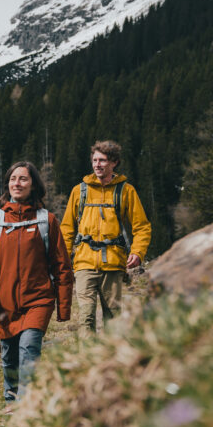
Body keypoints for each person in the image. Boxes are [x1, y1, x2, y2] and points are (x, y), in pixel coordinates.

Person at [0, 161, 73, 413]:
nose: (17, 183)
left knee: (29, 349)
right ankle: (11, 398)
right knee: (9, 355)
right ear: (7, 184)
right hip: (4, 303)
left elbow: (62, 267)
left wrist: (63, 307)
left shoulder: (46, 221)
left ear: (33, 185)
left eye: (23, 179)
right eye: (13, 179)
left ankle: (25, 406)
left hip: (38, 300)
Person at [61, 140, 151, 333]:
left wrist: (137, 252)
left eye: (102, 160)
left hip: (113, 264)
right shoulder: (79, 191)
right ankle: (89, 361)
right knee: (86, 317)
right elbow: (67, 228)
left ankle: (113, 358)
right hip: (84, 262)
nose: (97, 164)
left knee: (113, 317)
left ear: (114, 163)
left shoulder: (126, 191)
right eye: (95, 160)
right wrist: (63, 258)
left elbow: (142, 226)